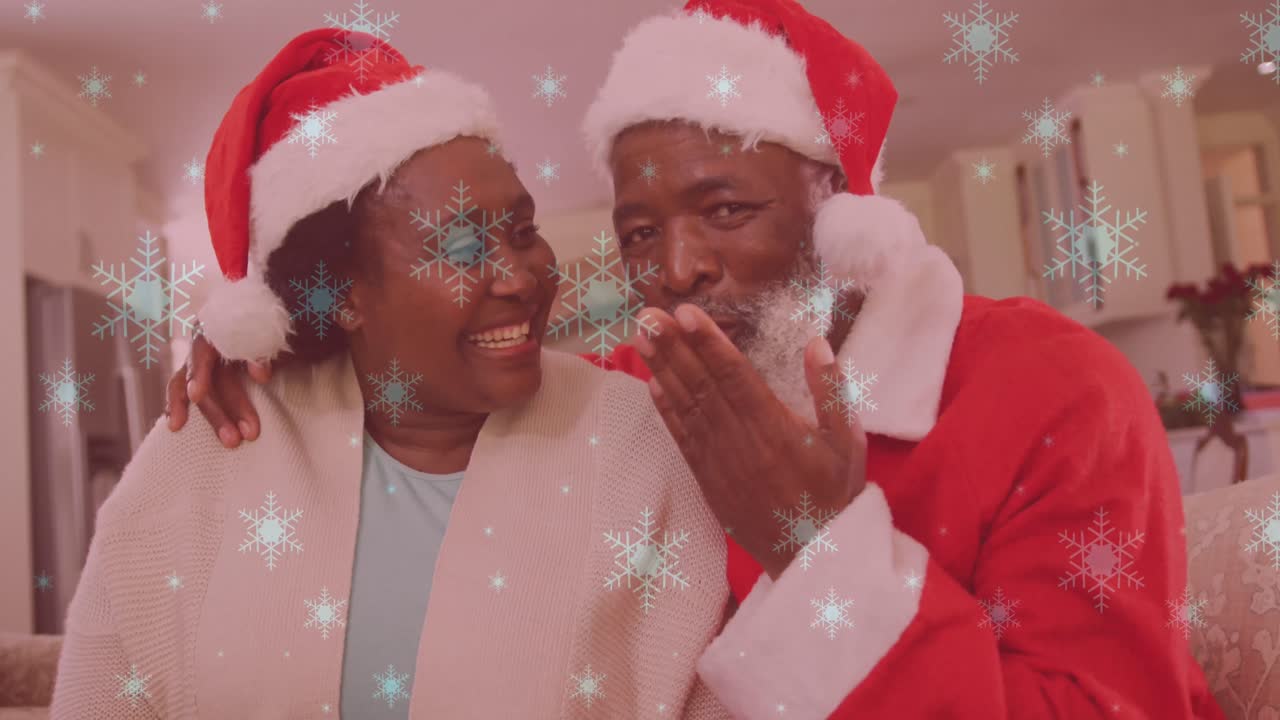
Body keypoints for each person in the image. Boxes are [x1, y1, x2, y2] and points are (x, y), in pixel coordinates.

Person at [169, 2, 1225, 719]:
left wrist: (815, 551)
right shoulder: (629, 401)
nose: (674, 269)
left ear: (840, 210)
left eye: (726, 209)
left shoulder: (1054, 390)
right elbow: (426, 376)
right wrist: (270, 352)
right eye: (637, 233)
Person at [51, 27, 845, 719]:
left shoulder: (643, 442)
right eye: (464, 247)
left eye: (524, 229)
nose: (522, 275)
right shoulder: (211, 449)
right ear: (347, 295)